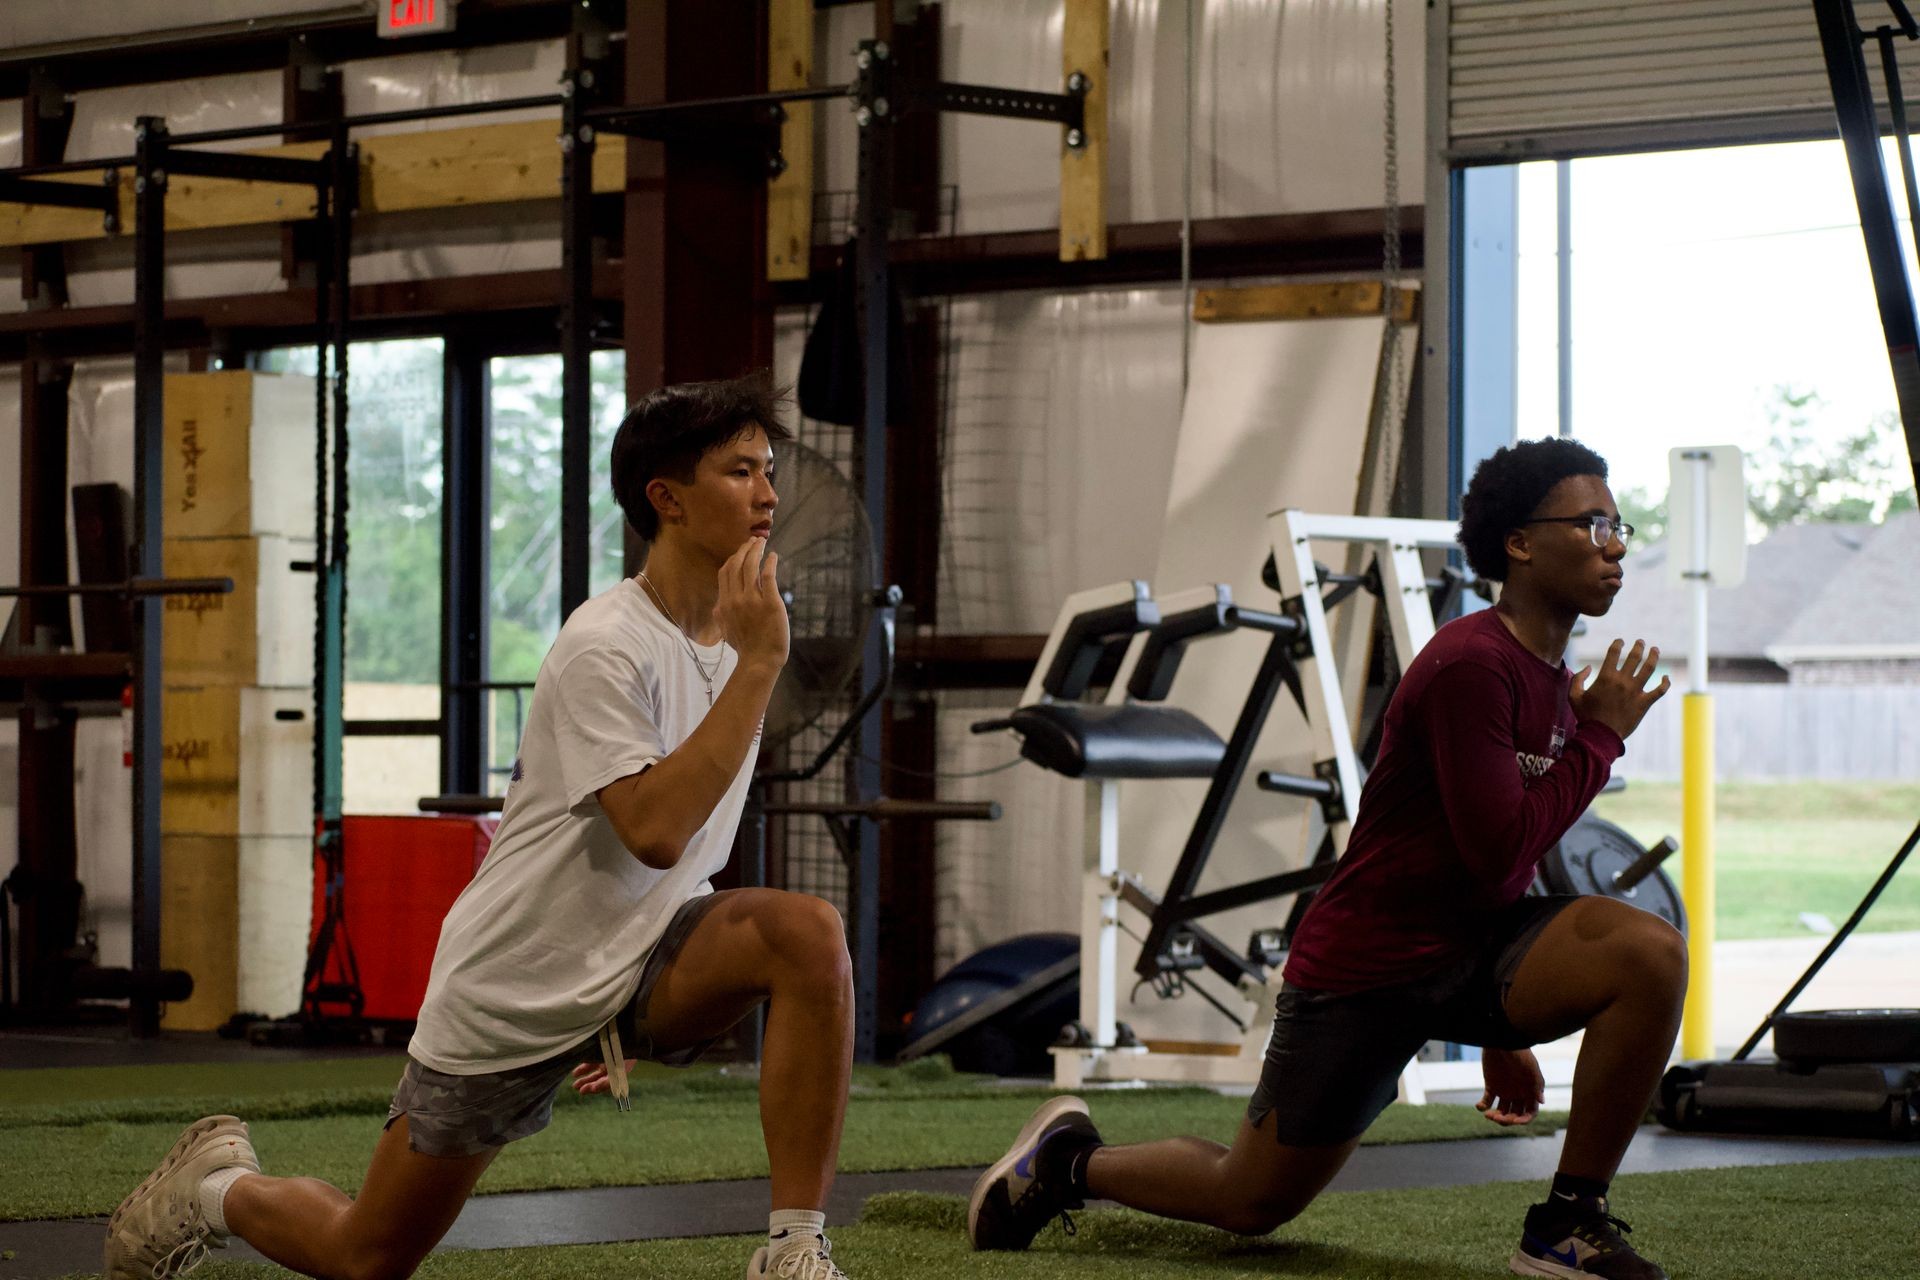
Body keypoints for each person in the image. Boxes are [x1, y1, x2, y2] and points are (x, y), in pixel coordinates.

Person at [106, 375, 860, 1280]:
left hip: (646, 951)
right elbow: (655, 831)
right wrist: (763, 662)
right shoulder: (607, 644)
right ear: (666, 498)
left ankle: (793, 1250)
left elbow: (679, 862)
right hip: (518, 982)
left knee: (806, 935)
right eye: (741, 472)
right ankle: (214, 1189)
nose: (770, 495)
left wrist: (634, 1000)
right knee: (367, 1256)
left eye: (768, 470)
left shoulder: (737, 635)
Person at [969, 438, 1684, 1280]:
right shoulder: (1472, 665)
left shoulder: (1548, 672)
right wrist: (1599, 737)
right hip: (1367, 970)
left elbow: (1499, 853)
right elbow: (1501, 840)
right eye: (1592, 522)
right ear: (1521, 544)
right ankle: (1065, 1165)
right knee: (1250, 1202)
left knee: (1647, 951)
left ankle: (1568, 1223)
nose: (1615, 543)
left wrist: (1504, 1023)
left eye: (1618, 523)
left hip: (1465, 950)